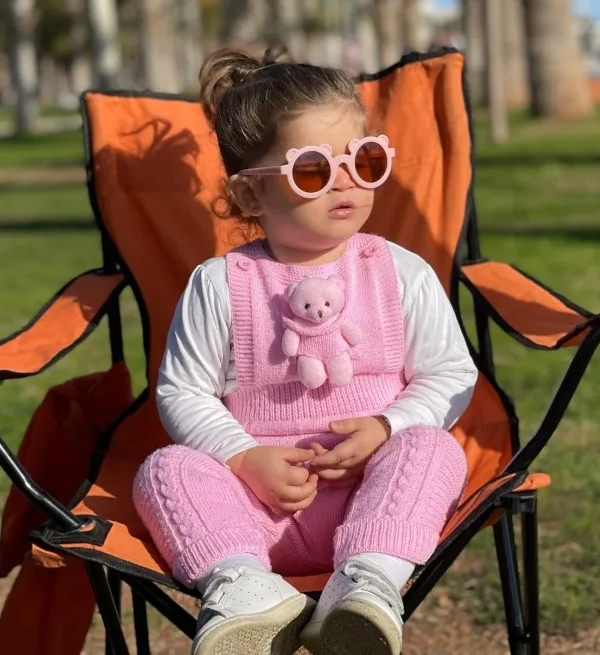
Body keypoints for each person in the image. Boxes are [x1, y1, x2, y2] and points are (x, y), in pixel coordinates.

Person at [133, 47, 477, 655]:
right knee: (165, 470)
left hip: (378, 496)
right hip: (253, 510)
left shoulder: (400, 272)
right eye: (313, 170)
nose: (346, 181)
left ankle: (366, 587)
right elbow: (183, 392)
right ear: (250, 194)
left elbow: (449, 373)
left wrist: (387, 426)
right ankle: (244, 591)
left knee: (433, 448)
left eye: (364, 160)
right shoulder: (220, 284)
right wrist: (243, 459)